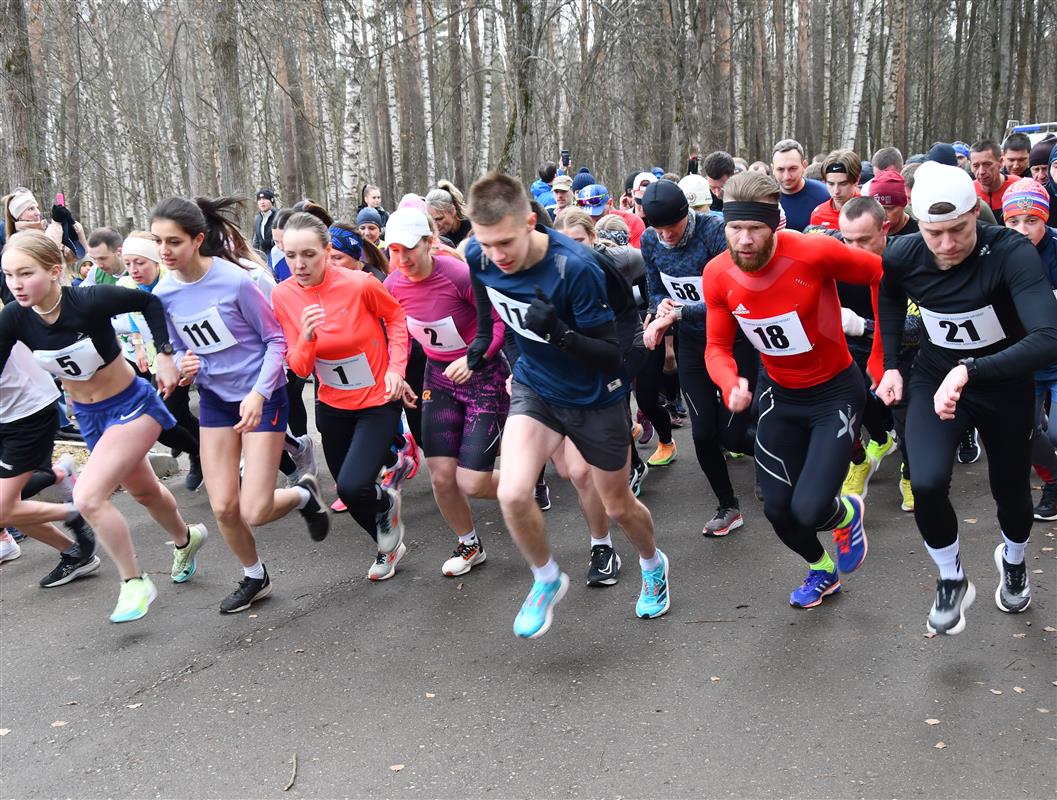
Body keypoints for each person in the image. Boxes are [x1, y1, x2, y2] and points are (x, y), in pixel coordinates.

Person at [463, 171, 670, 638]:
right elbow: (484, 289)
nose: (497, 256)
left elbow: (609, 355)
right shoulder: (479, 251)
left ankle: (652, 563)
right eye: (487, 243)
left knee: (617, 505)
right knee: (512, 493)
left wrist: (559, 333)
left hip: (594, 394)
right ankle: (546, 577)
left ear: (531, 222)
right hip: (537, 386)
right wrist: (481, 340)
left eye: (505, 243)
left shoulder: (573, 267)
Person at [874, 162, 1057, 635]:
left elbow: (1048, 337)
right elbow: (890, 298)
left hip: (1004, 382)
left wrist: (971, 369)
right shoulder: (903, 254)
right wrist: (892, 363)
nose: (948, 244)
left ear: (977, 211)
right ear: (917, 222)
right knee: (928, 481)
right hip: (936, 377)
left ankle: (1013, 559)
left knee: (1011, 491)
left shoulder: (1011, 253)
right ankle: (952, 579)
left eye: (958, 229)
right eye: (935, 233)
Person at [0, 230, 207, 623]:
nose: (16, 284)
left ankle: (134, 581)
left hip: (132, 405)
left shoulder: (88, 300)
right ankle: (186, 537)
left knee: (91, 496)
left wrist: (164, 355)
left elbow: (150, 302)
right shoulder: (15, 318)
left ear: (55, 270)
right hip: (91, 417)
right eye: (9, 275)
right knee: (144, 491)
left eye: (25, 274)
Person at [702, 172, 878, 609]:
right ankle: (822, 569)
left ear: (774, 225)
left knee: (810, 509)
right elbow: (716, 347)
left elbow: (881, 275)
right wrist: (729, 383)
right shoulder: (717, 274)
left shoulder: (813, 252)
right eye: (734, 228)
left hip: (835, 393)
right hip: (779, 393)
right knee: (777, 509)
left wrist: (880, 356)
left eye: (754, 229)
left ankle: (846, 513)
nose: (743, 240)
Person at [151, 197, 328, 613]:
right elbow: (176, 347)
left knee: (257, 510)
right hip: (215, 397)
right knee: (224, 506)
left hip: (262, 394)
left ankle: (304, 495)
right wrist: (183, 364)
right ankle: (255, 576)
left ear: (197, 240)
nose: (164, 251)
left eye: (173, 242)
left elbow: (275, 341)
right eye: (158, 241)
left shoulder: (235, 281)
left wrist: (258, 393)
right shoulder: (162, 294)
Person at [272, 212, 412, 581]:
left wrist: (396, 369)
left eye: (309, 254)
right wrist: (306, 336)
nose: (299, 265)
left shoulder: (360, 284)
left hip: (378, 399)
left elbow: (397, 321)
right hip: (332, 402)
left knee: (353, 484)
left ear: (327, 250)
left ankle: (386, 504)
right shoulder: (283, 295)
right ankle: (387, 547)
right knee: (348, 494)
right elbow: (299, 368)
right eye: (290, 256)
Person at [382, 208, 508, 575]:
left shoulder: (458, 275)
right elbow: (396, 334)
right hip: (437, 377)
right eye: (393, 251)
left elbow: (498, 324)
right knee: (441, 474)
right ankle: (469, 544)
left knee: (473, 481)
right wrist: (397, 372)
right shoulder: (393, 285)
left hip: (482, 375)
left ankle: (519, 484)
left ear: (429, 243)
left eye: (409, 249)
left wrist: (473, 357)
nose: (402, 259)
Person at [641, 179, 756, 536]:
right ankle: (727, 506)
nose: (666, 236)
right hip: (693, 343)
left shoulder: (716, 232)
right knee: (704, 434)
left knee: (734, 435)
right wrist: (657, 307)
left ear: (686, 216)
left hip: (735, 339)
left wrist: (680, 313)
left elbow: (735, 295)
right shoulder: (650, 240)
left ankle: (779, 456)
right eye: (657, 229)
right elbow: (655, 285)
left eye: (671, 228)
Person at [0, 325, 99, 588]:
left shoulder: (8, 319)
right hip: (10, 413)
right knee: (11, 503)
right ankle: (76, 554)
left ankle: (73, 512)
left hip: (27, 413)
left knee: (3, 506)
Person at [116, 233, 204, 491]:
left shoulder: (172, 283)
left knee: (168, 415)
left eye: (140, 263)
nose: (133, 270)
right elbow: (134, 318)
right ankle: (197, 449)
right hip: (158, 362)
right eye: (128, 263)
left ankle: (201, 452)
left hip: (186, 357)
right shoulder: (128, 288)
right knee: (163, 419)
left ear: (156, 262)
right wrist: (140, 346)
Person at [1000, 179, 1057, 521]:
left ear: (1045, 218)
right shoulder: (997, 250)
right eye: (1013, 222)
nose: (1022, 230)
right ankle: (1053, 483)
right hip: (1022, 360)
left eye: (1031, 221)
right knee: (1025, 431)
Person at [771, 139, 830, 231]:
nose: (787, 176)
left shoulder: (824, 195)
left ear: (804, 165)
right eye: (780, 169)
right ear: (773, 169)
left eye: (792, 168)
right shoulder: (764, 198)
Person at [809, 149, 861, 229]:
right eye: (831, 184)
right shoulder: (819, 214)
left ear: (857, 180)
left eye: (843, 184)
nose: (836, 191)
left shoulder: (870, 213)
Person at [970, 141, 1019, 223]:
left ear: (1001, 162)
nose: (981, 171)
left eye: (987, 164)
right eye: (976, 166)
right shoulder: (969, 191)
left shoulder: (1018, 186)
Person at [866, 169, 918, 236]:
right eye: (875, 208)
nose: (881, 213)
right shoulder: (864, 231)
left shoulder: (918, 236)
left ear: (904, 204)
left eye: (887, 208)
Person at [426, 182, 473, 246]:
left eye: (439, 219)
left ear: (453, 210)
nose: (435, 225)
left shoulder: (474, 229)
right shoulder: (433, 238)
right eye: (431, 220)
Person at [253, 189, 278, 253]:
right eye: (259, 200)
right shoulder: (257, 218)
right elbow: (256, 241)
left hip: (278, 253)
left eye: (265, 199)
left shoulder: (279, 216)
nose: (262, 202)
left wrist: (270, 243)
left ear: (271, 200)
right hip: (263, 256)